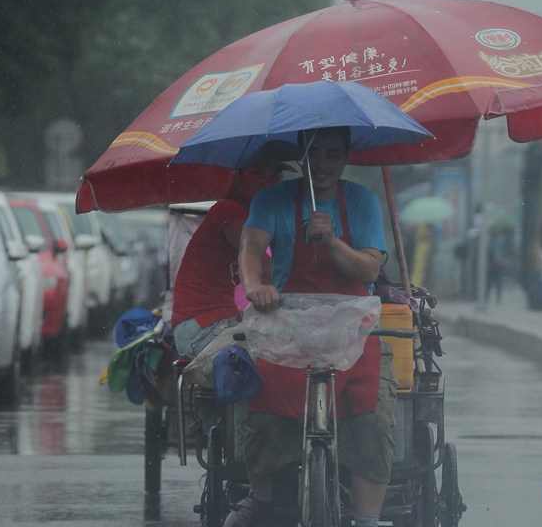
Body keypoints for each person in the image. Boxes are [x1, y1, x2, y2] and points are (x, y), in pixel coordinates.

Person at [229, 126, 396, 527]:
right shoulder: (274, 199)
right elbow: (251, 245)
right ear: (301, 155)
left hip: (353, 326)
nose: (322, 163)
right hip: (289, 321)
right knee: (265, 406)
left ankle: (368, 518)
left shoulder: (361, 200)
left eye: (332, 154)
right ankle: (261, 495)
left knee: (371, 416)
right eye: (314, 153)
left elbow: (370, 267)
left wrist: (332, 241)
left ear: (345, 158)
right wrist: (255, 287)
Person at [170, 163, 286, 358]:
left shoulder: (257, 217)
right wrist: (316, 287)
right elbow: (261, 262)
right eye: (257, 172)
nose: (267, 182)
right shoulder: (229, 209)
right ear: (238, 177)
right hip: (200, 326)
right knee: (276, 361)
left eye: (275, 174)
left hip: (221, 319)